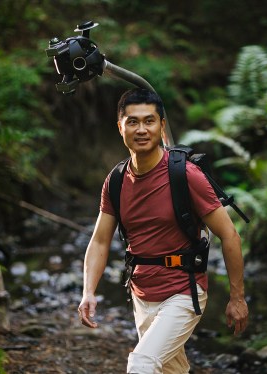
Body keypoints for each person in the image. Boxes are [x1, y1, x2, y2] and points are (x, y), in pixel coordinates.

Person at [78, 88, 248, 374]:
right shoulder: (116, 180)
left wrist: (237, 298)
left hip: (184, 291)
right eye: (132, 122)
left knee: (142, 363)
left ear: (161, 126)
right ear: (120, 127)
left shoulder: (185, 176)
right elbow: (99, 241)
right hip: (141, 295)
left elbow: (229, 234)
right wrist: (88, 292)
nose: (141, 129)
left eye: (149, 121)